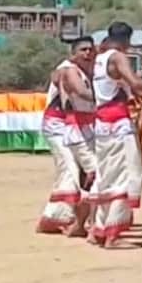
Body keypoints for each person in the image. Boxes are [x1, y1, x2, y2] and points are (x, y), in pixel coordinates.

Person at [89, 22, 142, 249]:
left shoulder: (100, 59)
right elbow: (136, 83)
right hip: (118, 124)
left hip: (102, 124)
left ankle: (98, 228)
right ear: (126, 40)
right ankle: (113, 234)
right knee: (128, 174)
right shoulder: (118, 57)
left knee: (107, 175)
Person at [37, 36, 97, 237]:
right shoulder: (67, 69)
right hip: (58, 126)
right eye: (83, 50)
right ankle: (55, 219)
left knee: (80, 172)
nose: (88, 53)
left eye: (90, 50)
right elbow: (63, 80)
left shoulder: (87, 70)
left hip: (76, 126)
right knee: (69, 169)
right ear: (73, 54)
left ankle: (70, 217)